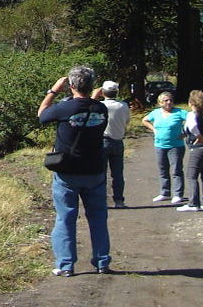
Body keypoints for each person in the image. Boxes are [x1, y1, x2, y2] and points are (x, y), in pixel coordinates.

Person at [38, 66, 111, 276]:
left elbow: (42, 115)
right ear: (92, 85)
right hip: (94, 170)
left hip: (67, 171)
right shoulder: (101, 109)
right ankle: (101, 261)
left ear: (71, 86)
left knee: (65, 217)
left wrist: (52, 91)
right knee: (98, 218)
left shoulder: (64, 109)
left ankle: (66, 264)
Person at [142, 92, 188, 204]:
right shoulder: (156, 112)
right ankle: (165, 192)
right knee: (163, 170)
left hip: (176, 146)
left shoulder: (180, 112)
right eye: (166, 100)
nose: (169, 102)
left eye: (171, 100)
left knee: (176, 170)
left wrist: (185, 132)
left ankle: (178, 194)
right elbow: (144, 120)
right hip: (160, 145)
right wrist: (153, 129)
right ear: (160, 102)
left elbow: (193, 120)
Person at [95, 80, 131, 208]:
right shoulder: (123, 106)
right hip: (118, 140)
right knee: (117, 174)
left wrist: (95, 95)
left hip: (103, 140)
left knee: (101, 173)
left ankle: (101, 200)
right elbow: (126, 121)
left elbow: (90, 107)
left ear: (103, 92)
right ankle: (119, 200)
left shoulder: (100, 105)